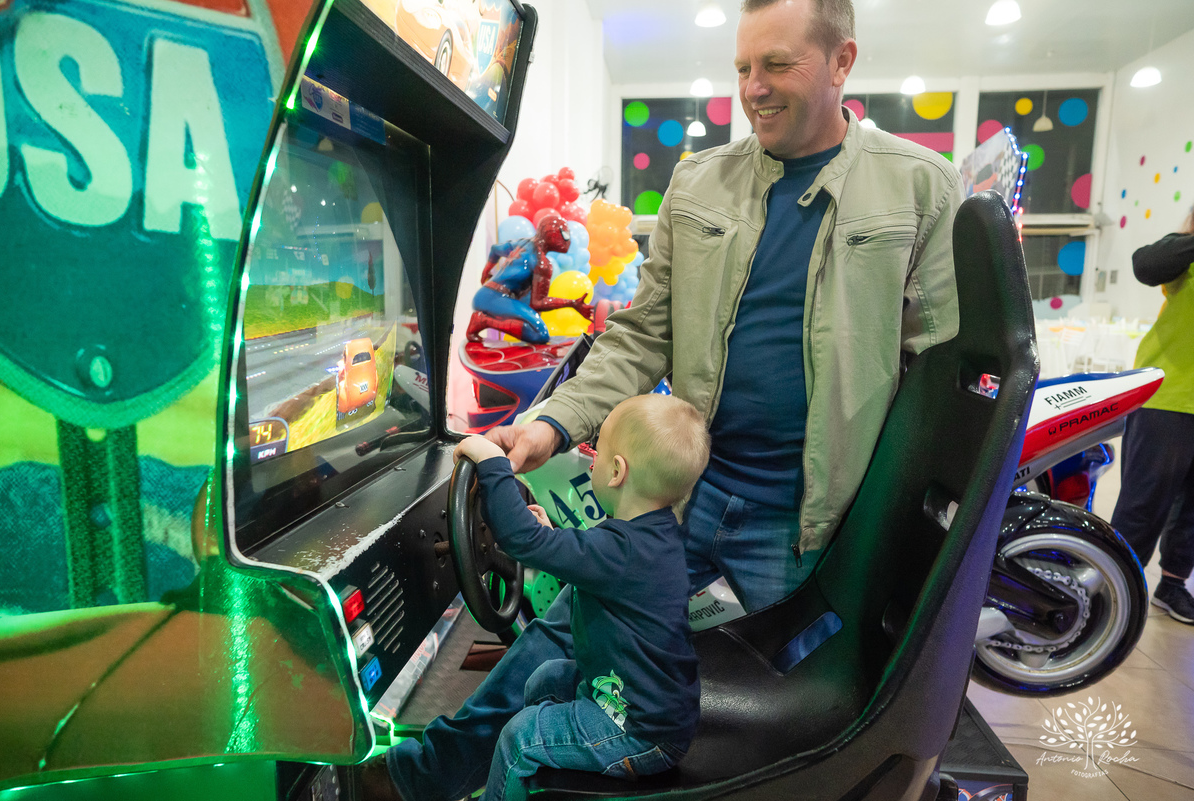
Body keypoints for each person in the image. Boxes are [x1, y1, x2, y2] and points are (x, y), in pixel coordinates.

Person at [375, 1, 962, 798]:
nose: (753, 88)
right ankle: (416, 778)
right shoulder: (699, 184)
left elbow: (941, 375)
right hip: (682, 499)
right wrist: (553, 422)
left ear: (841, 61)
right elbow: (638, 337)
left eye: (778, 65)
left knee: (784, 731)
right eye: (744, 67)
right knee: (550, 644)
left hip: (807, 520)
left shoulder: (920, 187)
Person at [448, 393, 709, 801]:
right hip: (643, 704)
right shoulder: (650, 536)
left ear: (618, 471)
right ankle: (539, 784)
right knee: (547, 676)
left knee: (519, 738)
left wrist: (491, 461)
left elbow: (520, 540)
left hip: (639, 730)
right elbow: (592, 561)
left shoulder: (621, 552)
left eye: (598, 451)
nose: (591, 459)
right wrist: (552, 538)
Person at [1111, 210, 1194, 623]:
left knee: (1193, 510)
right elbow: (1144, 264)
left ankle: (1173, 583)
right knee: (1144, 501)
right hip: (1169, 396)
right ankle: (1112, 584)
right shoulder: (1180, 253)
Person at [466, 215, 594, 344]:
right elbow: (539, 302)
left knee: (531, 305)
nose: (569, 240)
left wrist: (486, 271)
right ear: (551, 233)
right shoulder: (541, 263)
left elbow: (495, 250)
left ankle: (482, 320)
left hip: (487, 295)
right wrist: (572, 303)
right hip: (496, 298)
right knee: (540, 334)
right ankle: (482, 321)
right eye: (565, 234)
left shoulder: (523, 243)